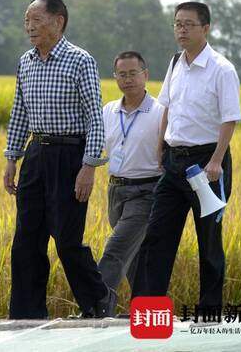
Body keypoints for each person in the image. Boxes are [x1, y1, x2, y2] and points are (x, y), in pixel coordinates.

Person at [3, 0, 115, 319]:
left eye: (36, 19)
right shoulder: (25, 62)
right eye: (26, 20)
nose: (29, 26)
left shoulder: (80, 60)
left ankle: (98, 301)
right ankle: (26, 314)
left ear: (58, 21)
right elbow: (20, 112)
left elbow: (95, 116)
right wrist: (12, 158)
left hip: (71, 155)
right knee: (27, 240)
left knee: (67, 241)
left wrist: (89, 166)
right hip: (36, 155)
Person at [132, 2, 241, 309]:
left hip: (207, 164)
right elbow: (167, 106)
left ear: (205, 28)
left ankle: (209, 313)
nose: (181, 30)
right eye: (177, 24)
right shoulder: (175, 63)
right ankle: (148, 311)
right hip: (173, 162)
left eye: (188, 24)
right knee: (157, 237)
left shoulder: (222, 69)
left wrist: (217, 161)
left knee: (208, 243)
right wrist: (160, 147)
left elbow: (229, 118)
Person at [97, 52, 164, 314]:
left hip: (147, 191)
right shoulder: (108, 110)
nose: (128, 79)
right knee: (135, 258)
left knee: (115, 250)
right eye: (122, 74)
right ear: (115, 78)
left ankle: (97, 307)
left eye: (133, 73)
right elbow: (98, 147)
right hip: (116, 190)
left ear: (145, 75)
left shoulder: (160, 112)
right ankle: (149, 314)